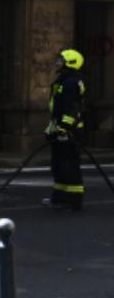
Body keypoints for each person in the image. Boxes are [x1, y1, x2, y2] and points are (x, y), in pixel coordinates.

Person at [43, 49, 86, 211]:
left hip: (70, 131)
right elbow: (57, 110)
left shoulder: (71, 82)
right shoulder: (63, 80)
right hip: (60, 129)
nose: (57, 62)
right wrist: (51, 129)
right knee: (58, 165)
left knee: (70, 166)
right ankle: (59, 197)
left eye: (61, 60)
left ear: (70, 62)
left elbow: (72, 108)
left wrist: (65, 128)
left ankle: (74, 201)